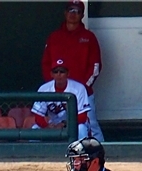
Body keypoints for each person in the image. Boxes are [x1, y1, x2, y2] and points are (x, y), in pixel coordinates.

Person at [41, 0, 104, 141]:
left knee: (91, 125)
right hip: (58, 93)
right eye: (70, 10)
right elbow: (46, 63)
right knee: (55, 124)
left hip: (83, 93)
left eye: (77, 11)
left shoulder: (89, 37)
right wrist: (54, 86)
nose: (73, 14)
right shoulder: (54, 37)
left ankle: (103, 151)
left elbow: (95, 66)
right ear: (65, 13)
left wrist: (84, 87)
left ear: (82, 15)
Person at [30, 58, 91, 138]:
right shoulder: (44, 88)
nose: (59, 74)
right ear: (51, 74)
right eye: (56, 72)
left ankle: (82, 146)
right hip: (53, 124)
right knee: (34, 130)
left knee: (81, 128)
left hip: (73, 124)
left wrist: (64, 124)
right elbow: (38, 116)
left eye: (62, 71)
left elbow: (82, 117)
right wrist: (46, 126)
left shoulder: (79, 88)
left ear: (68, 73)